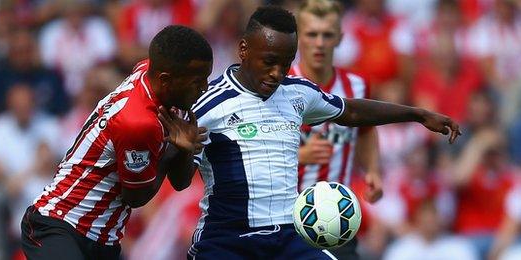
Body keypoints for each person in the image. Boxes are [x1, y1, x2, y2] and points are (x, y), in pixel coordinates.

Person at [188, 6, 459, 259]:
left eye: (285, 64)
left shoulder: (299, 92)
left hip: (290, 235)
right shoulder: (209, 105)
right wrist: (182, 149)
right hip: (228, 239)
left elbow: (352, 112)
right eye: (269, 62)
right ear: (243, 49)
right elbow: (179, 178)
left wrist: (418, 114)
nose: (277, 73)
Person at [20, 25, 213, 260]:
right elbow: (136, 197)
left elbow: (180, 182)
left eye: (206, 78)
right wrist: (172, 152)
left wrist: (184, 150)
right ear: (166, 80)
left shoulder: (155, 76)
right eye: (196, 81)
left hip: (104, 239)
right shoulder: (138, 122)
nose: (203, 88)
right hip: (60, 224)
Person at [289, 0, 381, 258]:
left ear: (340, 38)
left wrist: (373, 170)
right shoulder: (280, 86)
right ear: (299, 38)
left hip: (339, 221)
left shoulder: (357, 87)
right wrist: (300, 156)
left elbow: (366, 130)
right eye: (312, 34)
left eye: (327, 35)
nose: (319, 43)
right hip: (287, 217)